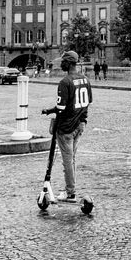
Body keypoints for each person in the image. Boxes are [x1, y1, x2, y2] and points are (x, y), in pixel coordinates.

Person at [41, 51, 92, 202]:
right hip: (80, 124)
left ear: (69, 63)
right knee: (72, 158)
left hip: (66, 127)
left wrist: (48, 110)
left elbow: (60, 108)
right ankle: (70, 189)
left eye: (63, 61)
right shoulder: (85, 79)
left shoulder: (65, 82)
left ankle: (70, 193)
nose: (61, 64)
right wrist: (83, 120)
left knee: (68, 160)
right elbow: (87, 102)